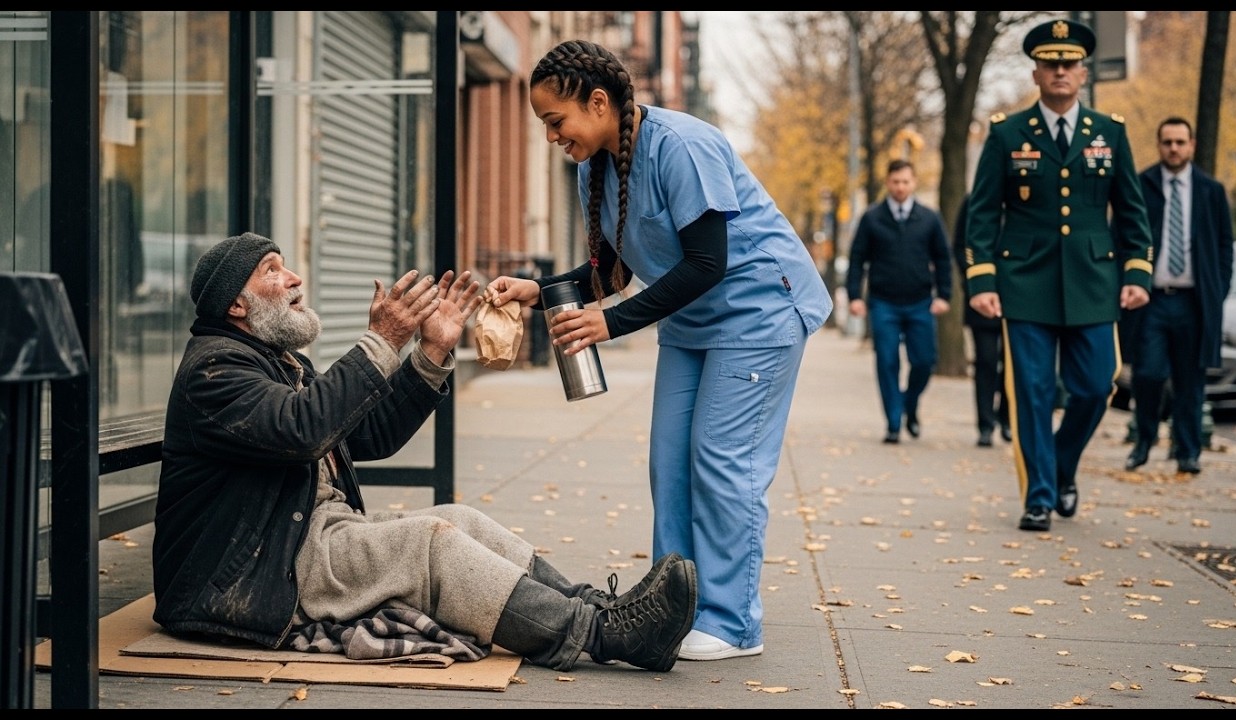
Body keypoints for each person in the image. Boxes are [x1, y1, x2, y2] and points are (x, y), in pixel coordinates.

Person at [151, 232, 697, 674]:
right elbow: (304, 430)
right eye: (272, 270)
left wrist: (431, 351)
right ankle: (604, 635)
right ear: (237, 304)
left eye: (285, 264)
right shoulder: (213, 370)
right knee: (427, 545)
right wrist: (382, 341)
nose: (293, 277)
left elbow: (368, 436)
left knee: (460, 520)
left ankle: (598, 605)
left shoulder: (275, 360)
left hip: (302, 539)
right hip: (253, 573)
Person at [486, 40, 832, 662]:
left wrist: (611, 324)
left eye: (555, 121)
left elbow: (706, 262)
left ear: (598, 103)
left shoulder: (682, 146)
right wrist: (539, 291)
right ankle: (676, 609)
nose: (552, 137)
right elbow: (612, 269)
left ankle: (733, 623)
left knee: (723, 461)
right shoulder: (596, 166)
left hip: (759, 312)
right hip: (691, 321)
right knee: (669, 463)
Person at [962, 19, 1153, 533]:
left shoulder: (1110, 133)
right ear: (1036, 73)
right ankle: (1039, 497)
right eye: (1051, 64)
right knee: (1032, 393)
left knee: (1095, 386)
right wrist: (982, 282)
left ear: (1083, 73)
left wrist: (1138, 273)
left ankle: (1062, 465)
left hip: (1093, 283)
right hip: (1024, 283)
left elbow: (1131, 212)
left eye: (1069, 64)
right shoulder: (1007, 134)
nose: (1060, 71)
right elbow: (982, 215)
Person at [1122, 117, 1234, 476]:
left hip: (1193, 302)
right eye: (1167, 142)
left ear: (1191, 145)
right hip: (1150, 300)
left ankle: (1187, 452)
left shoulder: (1210, 190)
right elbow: (1122, 234)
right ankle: (1144, 441)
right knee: (1148, 374)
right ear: (1159, 145)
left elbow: (1224, 245)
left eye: (1180, 142)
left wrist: (1217, 290)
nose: (1173, 148)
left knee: (1190, 380)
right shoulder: (1141, 185)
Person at [844, 159, 952, 444]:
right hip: (883, 303)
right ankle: (893, 422)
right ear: (888, 182)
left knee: (925, 361)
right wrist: (855, 296)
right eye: (895, 182)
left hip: (920, 302)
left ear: (913, 183)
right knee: (887, 361)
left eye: (905, 182)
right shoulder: (872, 218)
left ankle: (909, 404)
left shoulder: (929, 218)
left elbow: (943, 258)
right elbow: (857, 259)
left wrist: (944, 295)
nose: (900, 187)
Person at [952, 194, 1011, 447]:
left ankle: (1007, 418)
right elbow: (960, 245)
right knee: (986, 360)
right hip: (982, 296)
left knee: (1013, 363)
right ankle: (985, 424)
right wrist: (974, 282)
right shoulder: (973, 201)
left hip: (1016, 295)